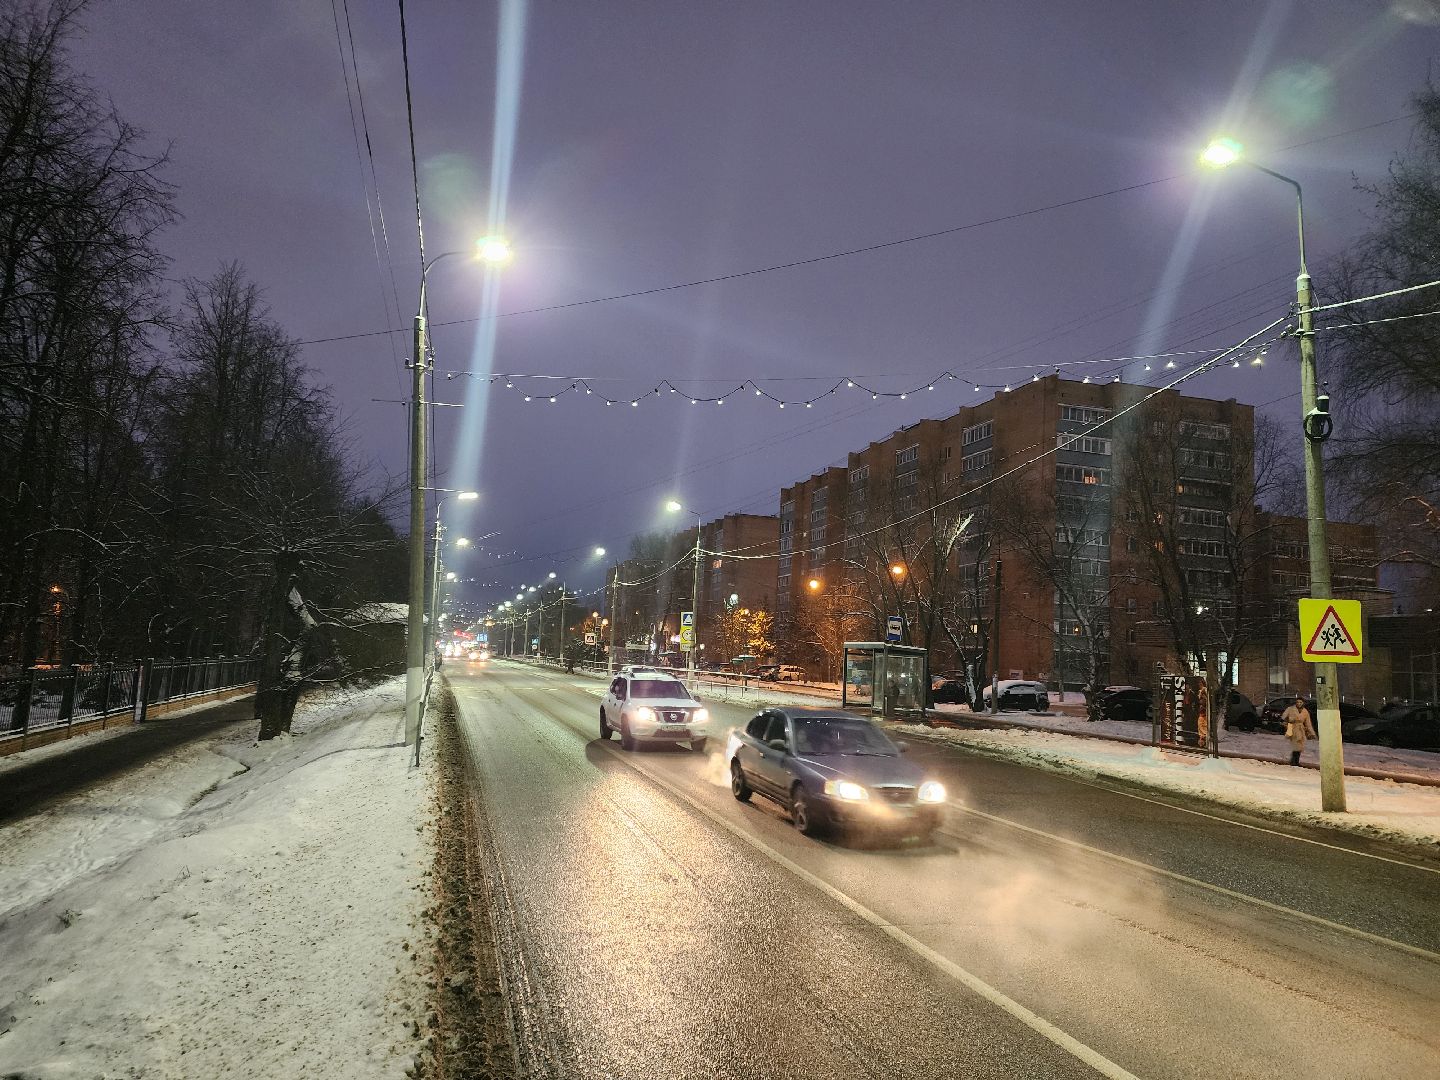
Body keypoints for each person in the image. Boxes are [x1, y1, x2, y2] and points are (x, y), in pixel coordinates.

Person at [1281, 696, 1315, 766]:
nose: (1299, 704)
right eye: (1297, 702)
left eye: (1300, 702)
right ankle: (1293, 761)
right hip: (1292, 728)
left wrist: (1312, 733)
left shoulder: (1305, 711)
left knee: (1300, 746)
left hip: (1301, 730)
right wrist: (1287, 723)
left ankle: (1296, 761)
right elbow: (1283, 717)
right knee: (1295, 745)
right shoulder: (1290, 709)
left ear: (1303, 703)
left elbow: (1308, 723)